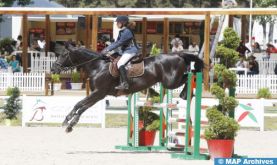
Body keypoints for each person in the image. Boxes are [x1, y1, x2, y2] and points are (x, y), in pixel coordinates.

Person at [101, 16, 139, 90]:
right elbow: (116, 42)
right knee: (112, 58)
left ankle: (125, 83)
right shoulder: (123, 31)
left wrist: (107, 49)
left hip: (130, 50)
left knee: (120, 63)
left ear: (123, 23)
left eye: (118, 23)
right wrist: (107, 47)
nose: (116, 24)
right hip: (125, 50)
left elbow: (119, 43)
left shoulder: (127, 31)